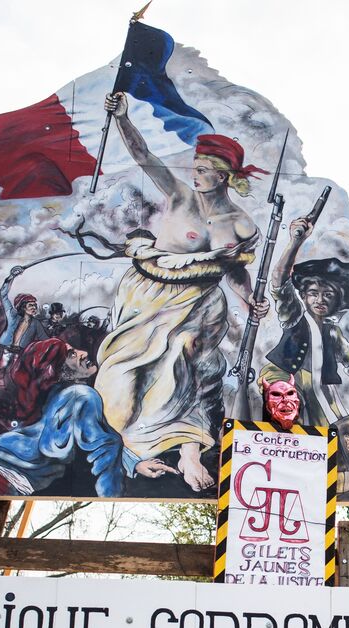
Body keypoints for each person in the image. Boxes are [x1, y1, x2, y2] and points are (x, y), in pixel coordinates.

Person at [95, 92, 266, 492]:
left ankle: (183, 447)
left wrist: (249, 299)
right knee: (123, 371)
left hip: (199, 302)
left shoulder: (239, 223)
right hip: (148, 294)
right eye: (195, 167)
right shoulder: (179, 195)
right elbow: (144, 156)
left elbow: (235, 272)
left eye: (203, 169)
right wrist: (122, 118)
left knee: (182, 360)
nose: (195, 174)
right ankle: (128, 442)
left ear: (222, 176)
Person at [0, 338, 177, 498]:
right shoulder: (81, 395)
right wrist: (111, 501)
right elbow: (105, 447)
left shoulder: (64, 394)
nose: (83, 353)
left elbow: (101, 438)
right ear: (58, 371)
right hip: (6, 474)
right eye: (71, 354)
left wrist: (135, 464)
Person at [259, 217, 349, 433]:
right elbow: (279, 280)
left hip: (318, 387)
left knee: (339, 427)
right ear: (304, 296)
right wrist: (295, 242)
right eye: (313, 293)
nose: (320, 300)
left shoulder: (332, 333)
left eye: (328, 295)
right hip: (283, 378)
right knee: (286, 406)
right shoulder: (294, 316)